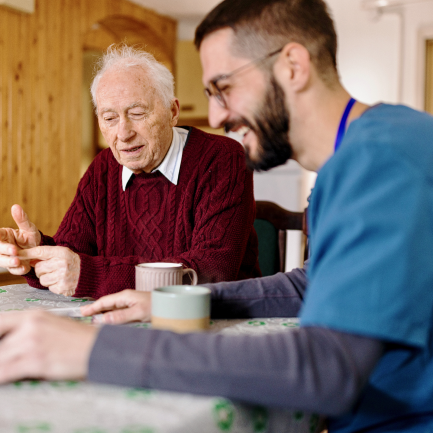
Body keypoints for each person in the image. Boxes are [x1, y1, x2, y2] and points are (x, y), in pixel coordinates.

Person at [1, 1, 433, 432]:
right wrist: (174, 299)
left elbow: (327, 369)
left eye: (224, 87)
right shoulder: (352, 160)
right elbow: (312, 282)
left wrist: (96, 349)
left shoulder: (385, 160)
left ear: (293, 66)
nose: (215, 117)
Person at [0, 46, 260, 299]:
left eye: (137, 113)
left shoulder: (223, 158)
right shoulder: (103, 167)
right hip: (125, 320)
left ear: (173, 112)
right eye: (110, 118)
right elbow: (73, 253)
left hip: (210, 323)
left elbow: (212, 271)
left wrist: (90, 274)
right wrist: (37, 255)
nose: (123, 134)